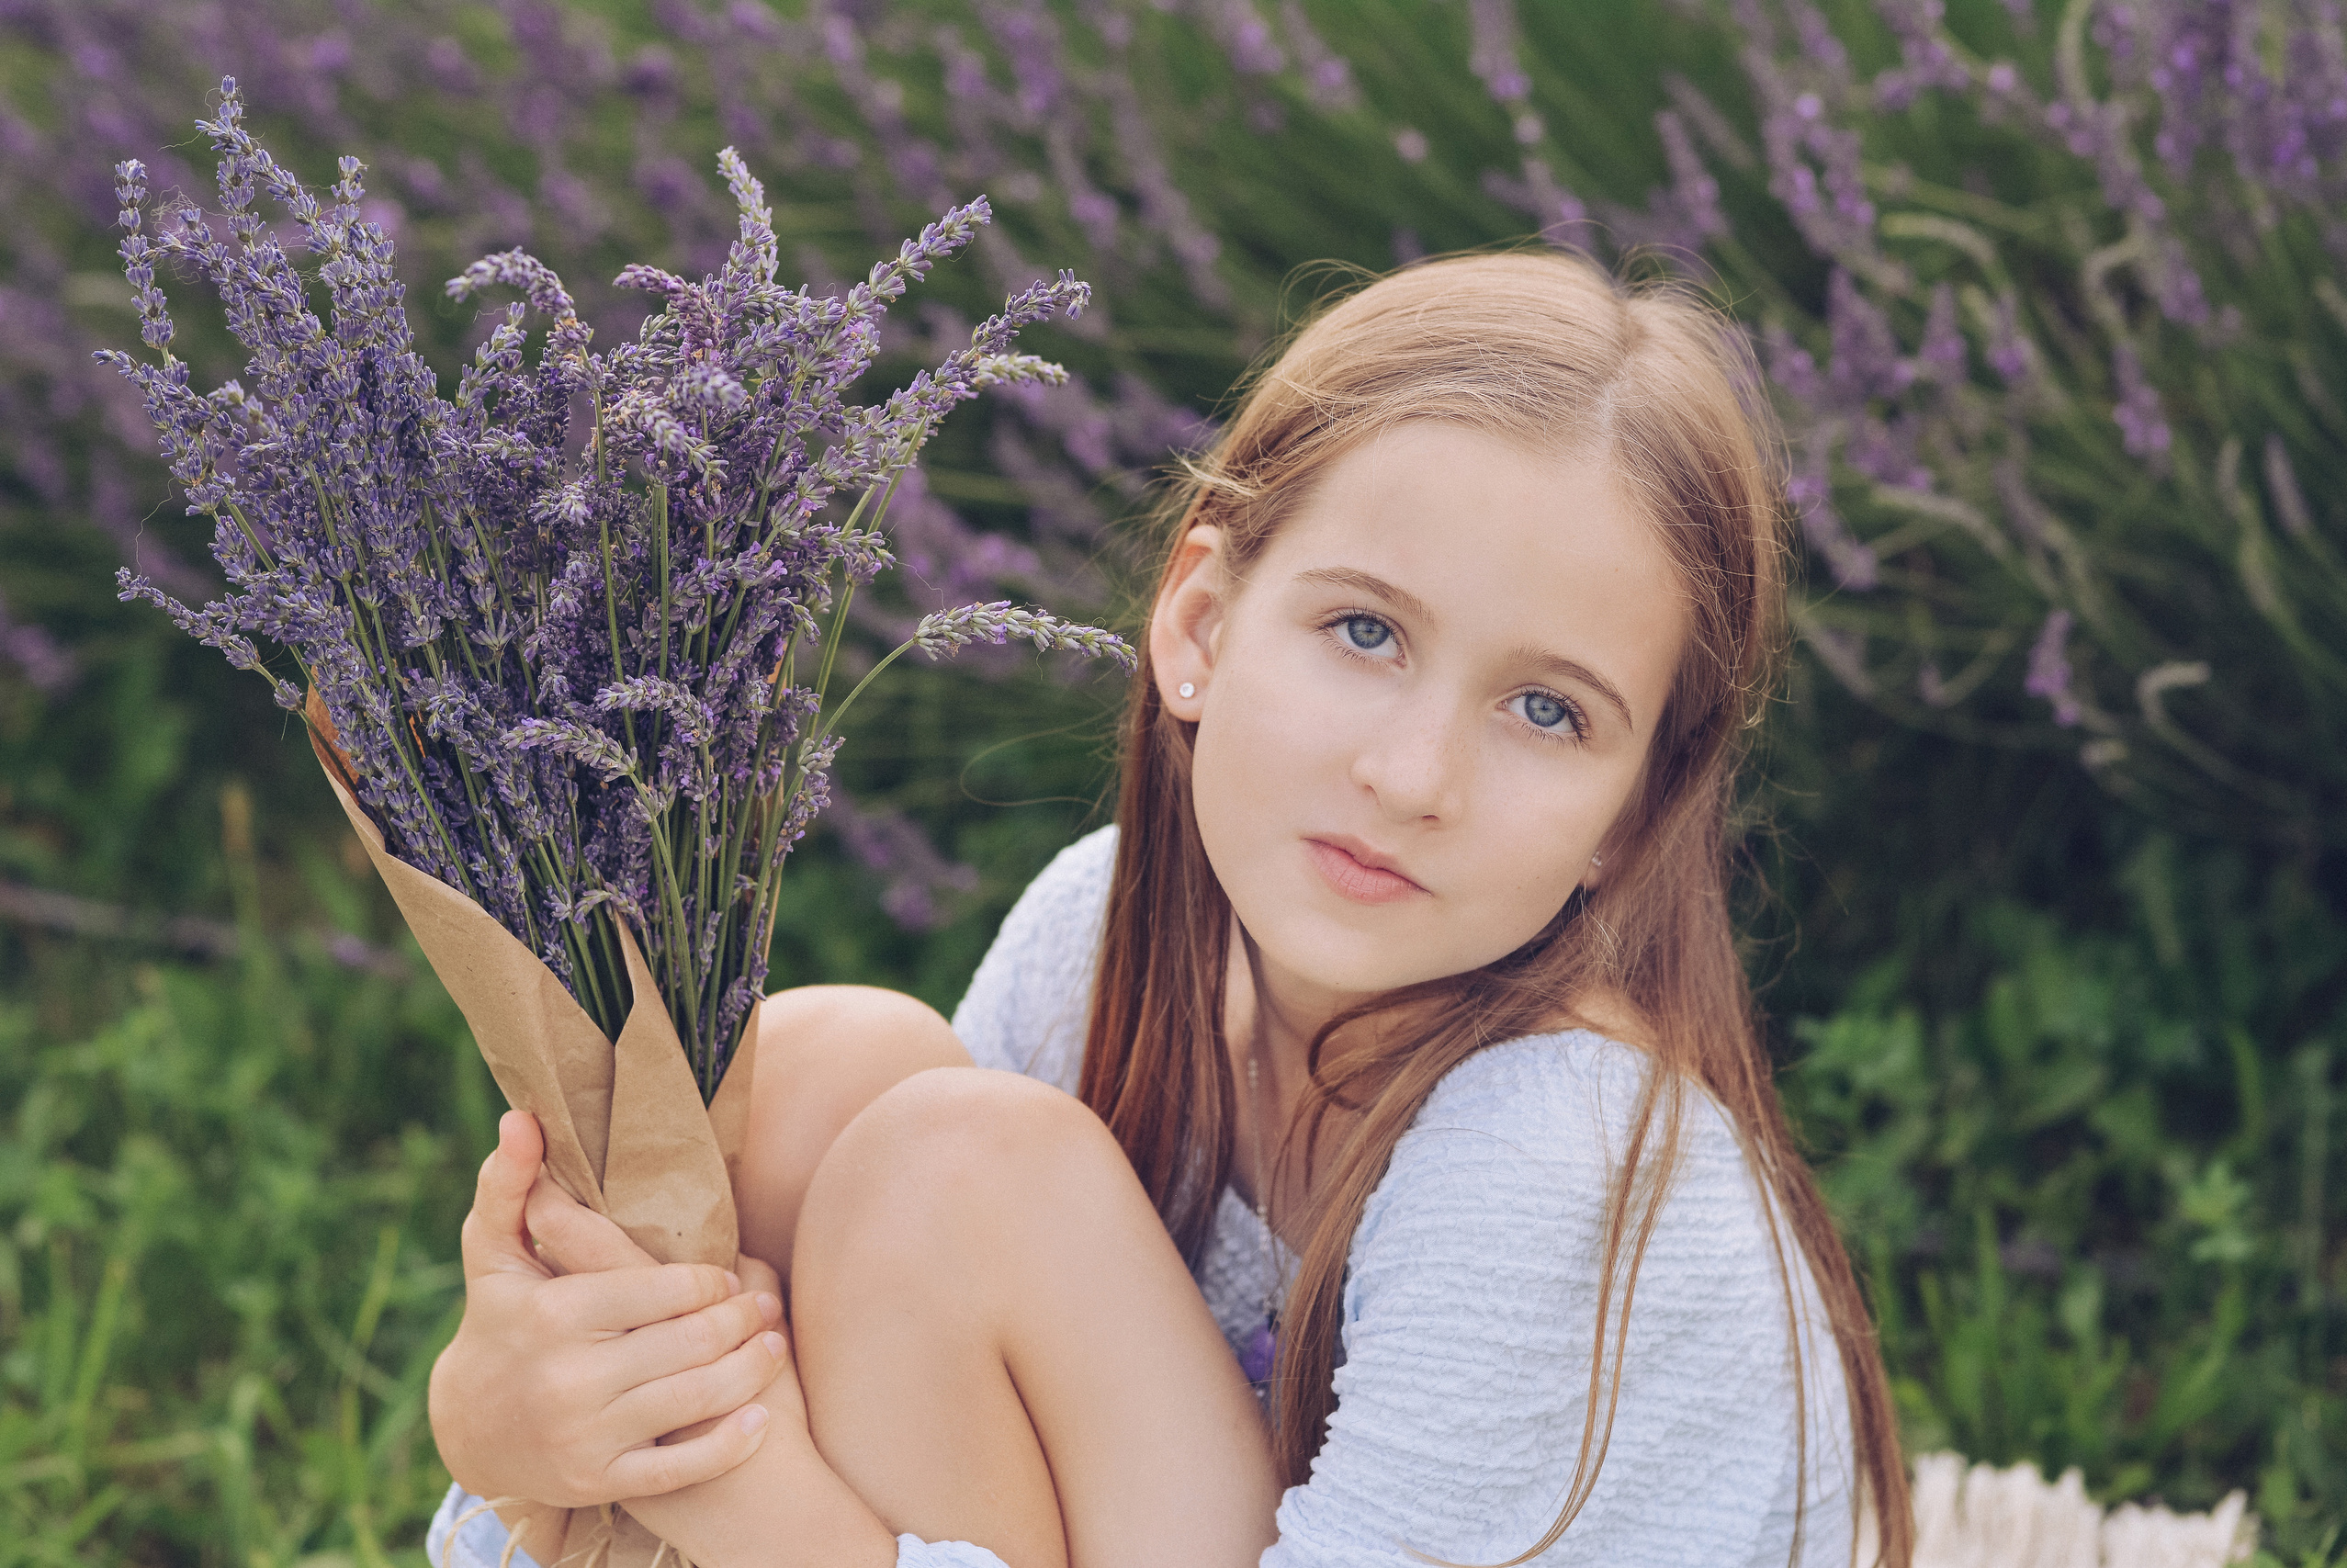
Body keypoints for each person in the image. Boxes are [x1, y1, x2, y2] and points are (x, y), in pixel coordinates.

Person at [425, 250, 1912, 1568]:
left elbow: (839, 1452)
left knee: (950, 1168)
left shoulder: (1558, 1165)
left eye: (1545, 710)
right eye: (1366, 630)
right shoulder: (1104, 929)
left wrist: (754, 1501)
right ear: (1200, 622)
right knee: (823, 1085)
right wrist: (511, 1429)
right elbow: (913, 1346)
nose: (1412, 774)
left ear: (1634, 816)